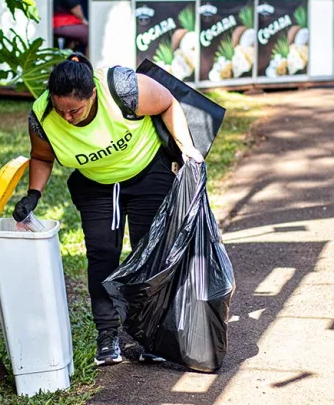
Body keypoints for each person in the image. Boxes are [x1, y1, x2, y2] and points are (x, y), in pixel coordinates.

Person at [12, 53, 204, 367]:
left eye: (74, 110)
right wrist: (34, 194)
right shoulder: (42, 115)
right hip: (97, 184)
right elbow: (43, 156)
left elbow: (168, 102)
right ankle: (107, 335)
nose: (67, 118)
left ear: (92, 95)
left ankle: (152, 335)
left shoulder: (122, 87)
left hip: (146, 170)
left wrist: (186, 147)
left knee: (149, 253)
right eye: (61, 111)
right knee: (102, 255)